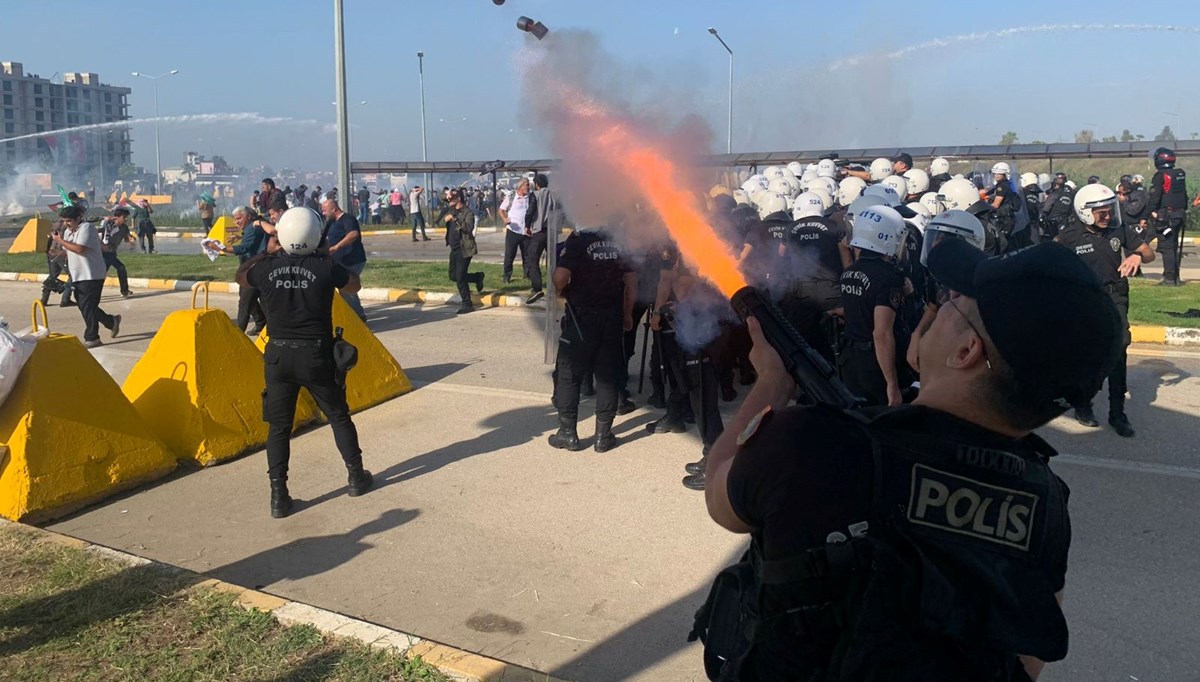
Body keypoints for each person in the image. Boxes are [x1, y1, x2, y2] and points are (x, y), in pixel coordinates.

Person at [694, 237, 1120, 681]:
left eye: (956, 301)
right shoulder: (1046, 498)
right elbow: (1028, 654)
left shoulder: (812, 442)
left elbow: (719, 498)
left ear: (966, 352)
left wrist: (771, 385)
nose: (943, 303)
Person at [239, 208, 374, 519]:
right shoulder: (324, 267)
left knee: (279, 427)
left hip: (278, 356)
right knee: (339, 416)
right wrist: (326, 256)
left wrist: (266, 253)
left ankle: (278, 495)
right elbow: (354, 285)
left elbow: (241, 276)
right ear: (317, 235)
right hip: (315, 355)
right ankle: (355, 476)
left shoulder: (265, 269)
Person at [1056, 183, 1154, 437]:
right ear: (1086, 212)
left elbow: (1149, 253)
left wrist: (1136, 256)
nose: (1108, 216)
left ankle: (1117, 413)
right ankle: (1083, 405)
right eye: (1103, 212)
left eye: (1110, 210)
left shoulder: (1118, 229)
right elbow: (1050, 262)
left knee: (1119, 348)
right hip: (1085, 301)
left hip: (1115, 297)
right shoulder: (1069, 236)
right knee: (1089, 355)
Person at [547, 227, 637, 453]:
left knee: (569, 374)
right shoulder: (620, 239)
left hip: (581, 318)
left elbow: (560, 277)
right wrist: (627, 314)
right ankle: (603, 436)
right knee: (607, 375)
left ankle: (568, 434)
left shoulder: (578, 241)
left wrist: (562, 291)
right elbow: (632, 283)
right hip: (612, 316)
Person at [838, 204, 909, 406]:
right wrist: (892, 384)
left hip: (851, 360)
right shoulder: (888, 277)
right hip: (876, 365)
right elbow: (881, 333)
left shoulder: (849, 273)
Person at [50, 205, 121, 349]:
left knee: (87, 305)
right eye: (64, 221)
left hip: (92, 274)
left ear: (78, 218)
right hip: (78, 275)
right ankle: (110, 321)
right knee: (85, 306)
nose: (66, 224)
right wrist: (54, 251)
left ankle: (92, 337)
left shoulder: (86, 228)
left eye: (69, 220)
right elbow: (68, 251)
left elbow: (80, 249)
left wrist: (60, 241)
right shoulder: (69, 233)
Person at [216, 206, 270, 334]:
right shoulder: (252, 227)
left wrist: (220, 248)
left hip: (252, 270)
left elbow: (243, 249)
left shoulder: (253, 228)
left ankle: (238, 333)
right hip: (257, 268)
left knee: (245, 302)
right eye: (235, 219)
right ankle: (261, 321)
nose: (237, 222)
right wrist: (238, 237)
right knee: (256, 299)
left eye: (239, 218)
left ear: (249, 216)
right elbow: (250, 240)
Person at [320, 195, 368, 321]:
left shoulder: (347, 219)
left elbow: (353, 234)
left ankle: (358, 317)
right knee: (344, 288)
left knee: (347, 288)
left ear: (334, 209)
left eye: (325, 210)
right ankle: (349, 316)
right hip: (339, 261)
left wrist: (336, 247)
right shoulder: (331, 223)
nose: (323, 213)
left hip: (352, 260)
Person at [1146, 147, 1188, 286]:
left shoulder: (1160, 175)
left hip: (1166, 216)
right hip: (1179, 214)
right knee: (1174, 246)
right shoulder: (1179, 174)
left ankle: (1169, 279)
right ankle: (1175, 277)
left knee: (1167, 247)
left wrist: (1147, 214)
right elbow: (1184, 196)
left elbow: (1155, 197)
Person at [444, 189, 485, 314]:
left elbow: (468, 228)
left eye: (451, 199)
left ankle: (467, 304)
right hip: (454, 249)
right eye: (449, 199)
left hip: (465, 249)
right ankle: (477, 277)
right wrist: (448, 193)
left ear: (459, 199)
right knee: (453, 276)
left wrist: (455, 219)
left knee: (460, 277)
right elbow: (442, 196)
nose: (449, 201)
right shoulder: (451, 209)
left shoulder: (467, 212)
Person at [526, 173, 561, 305]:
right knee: (553, 260)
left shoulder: (535, 194)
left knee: (532, 258)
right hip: (552, 230)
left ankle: (537, 288)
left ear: (537, 184)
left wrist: (526, 226)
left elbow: (530, 211)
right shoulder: (555, 195)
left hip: (539, 230)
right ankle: (557, 287)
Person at [499, 179, 534, 284]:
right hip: (513, 231)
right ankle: (507, 276)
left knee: (527, 255)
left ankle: (527, 275)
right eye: (527, 185)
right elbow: (501, 210)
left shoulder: (530, 197)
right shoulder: (511, 197)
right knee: (510, 255)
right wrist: (505, 219)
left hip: (526, 231)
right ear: (521, 187)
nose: (529, 187)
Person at [99, 207, 134, 298]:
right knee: (102, 274)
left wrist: (130, 239)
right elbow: (101, 233)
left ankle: (124, 290)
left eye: (126, 217)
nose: (126, 219)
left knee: (120, 268)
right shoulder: (108, 225)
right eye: (124, 217)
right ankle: (94, 292)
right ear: (117, 217)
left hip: (112, 253)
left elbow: (126, 238)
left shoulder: (124, 228)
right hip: (104, 253)